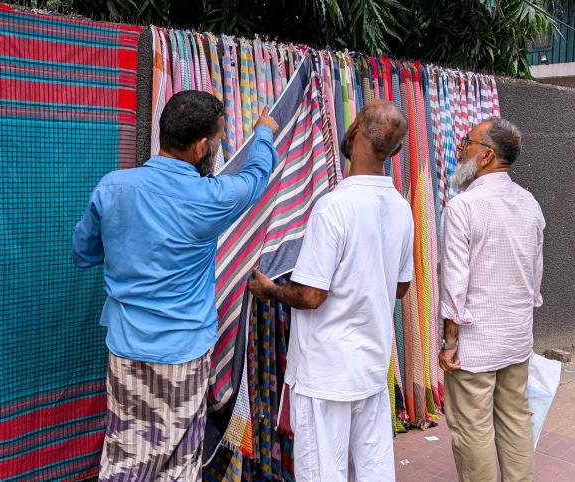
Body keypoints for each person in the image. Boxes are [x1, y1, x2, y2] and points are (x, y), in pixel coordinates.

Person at [72, 90, 279, 481]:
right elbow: (255, 178)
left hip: (127, 349)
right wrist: (264, 132)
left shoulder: (112, 187)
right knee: (180, 463)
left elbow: (83, 253)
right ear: (201, 146)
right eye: (217, 139)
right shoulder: (212, 198)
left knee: (126, 456)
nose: (216, 147)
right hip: (185, 354)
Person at [248, 100, 413, 482]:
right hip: (371, 367)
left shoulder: (333, 207)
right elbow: (401, 288)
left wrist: (271, 290)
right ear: (397, 151)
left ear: (353, 133)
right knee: (372, 470)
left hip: (326, 372)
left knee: (324, 471)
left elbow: (310, 296)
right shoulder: (400, 207)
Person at [438, 118, 544, 482]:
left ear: (485, 156)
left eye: (466, 143)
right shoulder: (529, 203)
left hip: (475, 346)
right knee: (515, 420)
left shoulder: (463, 207)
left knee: (472, 430)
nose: (460, 150)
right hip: (516, 338)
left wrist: (449, 342)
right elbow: (535, 277)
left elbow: (455, 283)